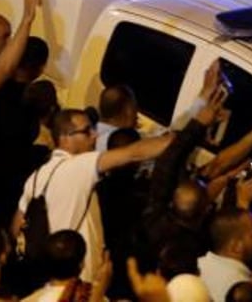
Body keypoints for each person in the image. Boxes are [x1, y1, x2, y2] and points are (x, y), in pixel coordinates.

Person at [13, 107, 174, 283]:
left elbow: (16, 227)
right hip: (79, 280)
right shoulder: (78, 166)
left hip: (48, 278)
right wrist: (177, 137)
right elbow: (133, 153)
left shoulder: (36, 176)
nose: (95, 135)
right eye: (86, 131)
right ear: (65, 138)